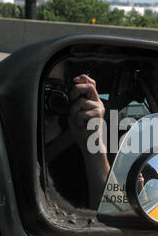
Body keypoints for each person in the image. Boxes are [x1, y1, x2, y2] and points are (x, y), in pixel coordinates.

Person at [45, 74, 110, 210]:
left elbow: (111, 213)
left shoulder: (78, 154)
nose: (46, 93)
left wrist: (93, 145)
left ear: (72, 91)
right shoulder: (5, 131)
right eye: (40, 84)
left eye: (54, 86)